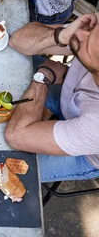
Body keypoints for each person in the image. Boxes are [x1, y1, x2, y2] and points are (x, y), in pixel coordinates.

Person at [5, 14, 99, 183]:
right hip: (67, 95)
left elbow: (16, 136)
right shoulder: (87, 36)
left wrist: (44, 76)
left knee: (5, 166)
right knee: (3, 55)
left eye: (89, 38)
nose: (82, 33)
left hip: (86, 153)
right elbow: (16, 41)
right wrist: (60, 36)